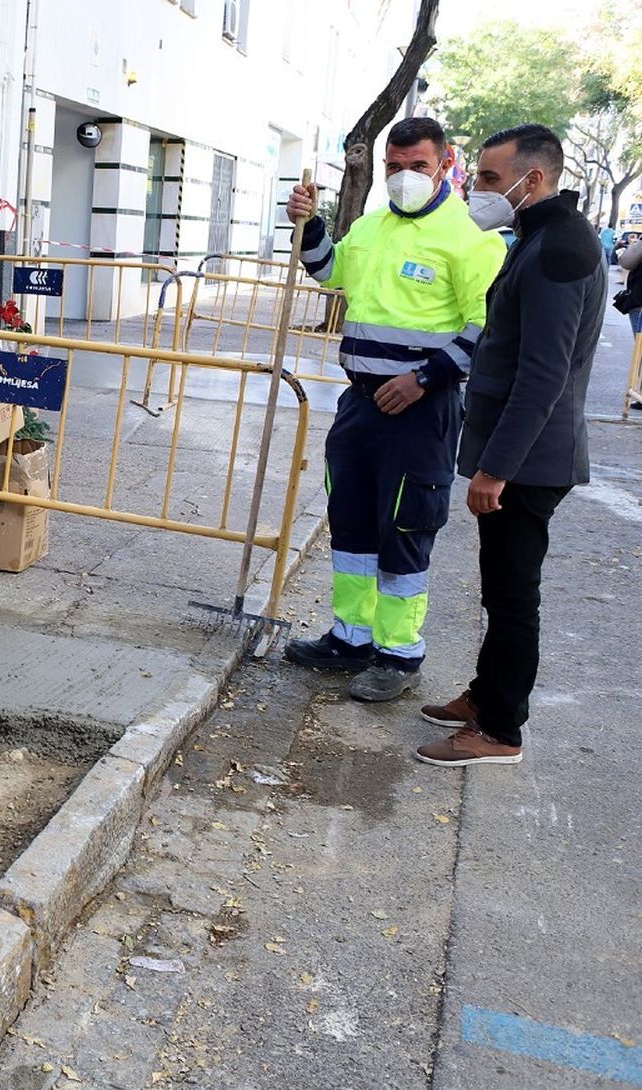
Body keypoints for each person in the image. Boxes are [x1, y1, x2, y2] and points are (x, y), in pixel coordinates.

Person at [281, 118, 507, 701]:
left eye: (417, 166)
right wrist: (309, 226)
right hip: (360, 404)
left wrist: (425, 378)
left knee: (406, 528)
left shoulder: (471, 239)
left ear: (445, 165)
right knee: (352, 523)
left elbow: (487, 327)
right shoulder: (373, 226)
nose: (403, 177)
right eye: (394, 166)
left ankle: (398, 653)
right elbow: (333, 272)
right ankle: (350, 638)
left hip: (421, 411)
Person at [416, 125, 607, 767]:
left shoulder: (559, 249)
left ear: (536, 179)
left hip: (528, 461)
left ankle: (500, 731)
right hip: (522, 455)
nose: (478, 190)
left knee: (513, 595)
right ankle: (485, 695)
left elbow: (544, 373)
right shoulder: (542, 236)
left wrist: (496, 467)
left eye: (491, 180)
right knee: (500, 590)